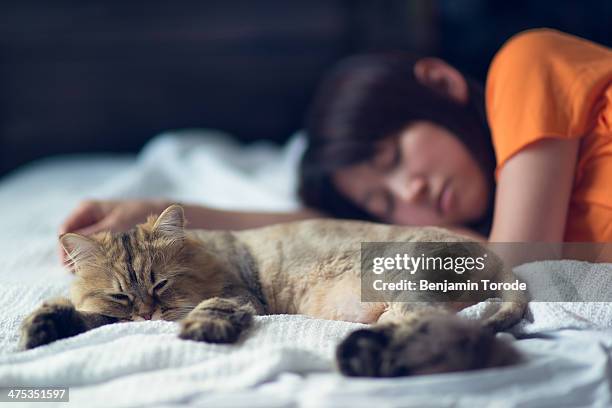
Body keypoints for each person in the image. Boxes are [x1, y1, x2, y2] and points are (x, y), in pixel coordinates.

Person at [59, 28, 612, 263]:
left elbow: (518, 270)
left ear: (440, 84)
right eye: (383, 202)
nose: (409, 190)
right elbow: (325, 229)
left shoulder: (525, 64)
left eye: (393, 158)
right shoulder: (518, 222)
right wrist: (161, 217)